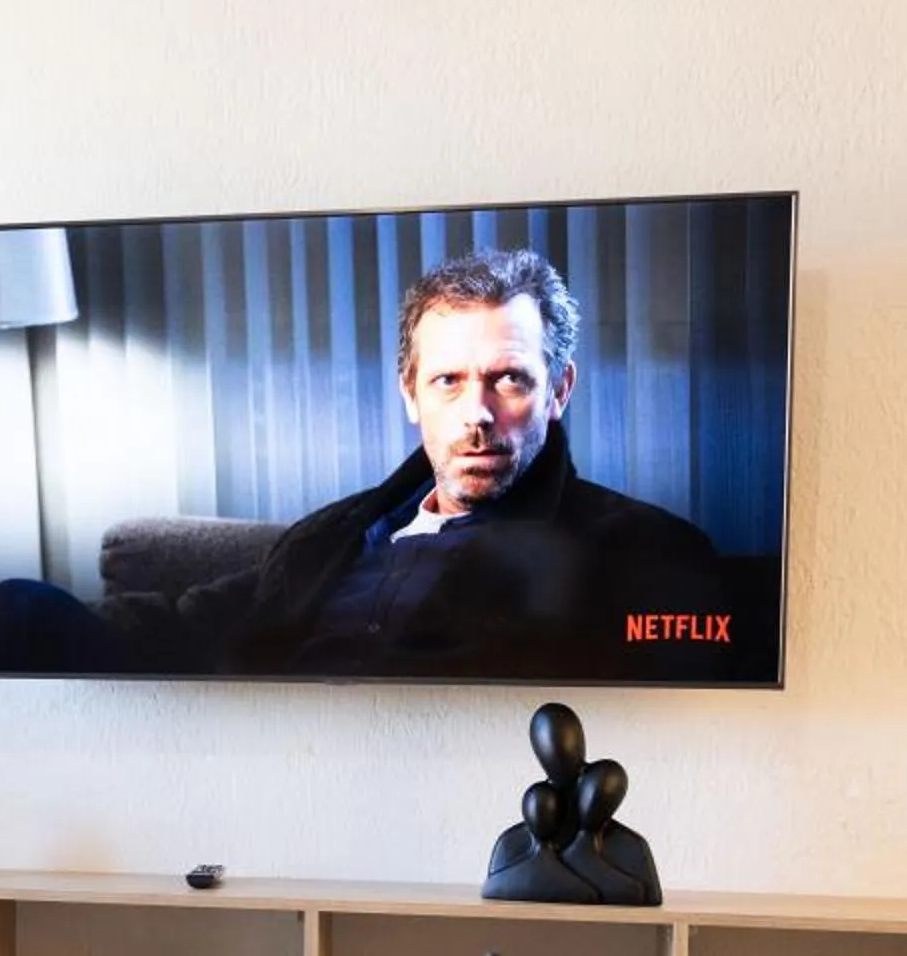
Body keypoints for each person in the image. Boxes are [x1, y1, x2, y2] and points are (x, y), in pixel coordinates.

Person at [207, 248, 728, 679]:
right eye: (448, 380)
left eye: (509, 379)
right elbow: (197, 617)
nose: (477, 413)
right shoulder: (328, 535)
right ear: (410, 393)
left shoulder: (646, 552)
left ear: (558, 390)